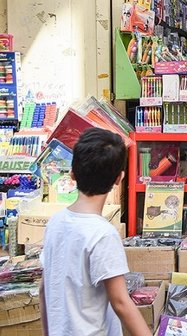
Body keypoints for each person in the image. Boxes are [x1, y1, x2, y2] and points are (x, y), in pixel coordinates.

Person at [40, 128, 151, 336]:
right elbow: (120, 302)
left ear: (72, 174)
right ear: (119, 178)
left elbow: (44, 288)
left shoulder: (55, 222)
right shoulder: (103, 234)